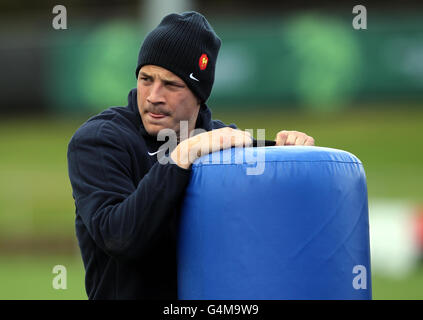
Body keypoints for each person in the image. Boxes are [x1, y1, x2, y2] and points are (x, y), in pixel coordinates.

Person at [67, 11, 315, 300]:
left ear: (199, 94)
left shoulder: (223, 144)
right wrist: (179, 158)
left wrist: (292, 152)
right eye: (146, 79)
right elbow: (120, 237)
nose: (153, 96)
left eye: (171, 85)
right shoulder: (99, 141)